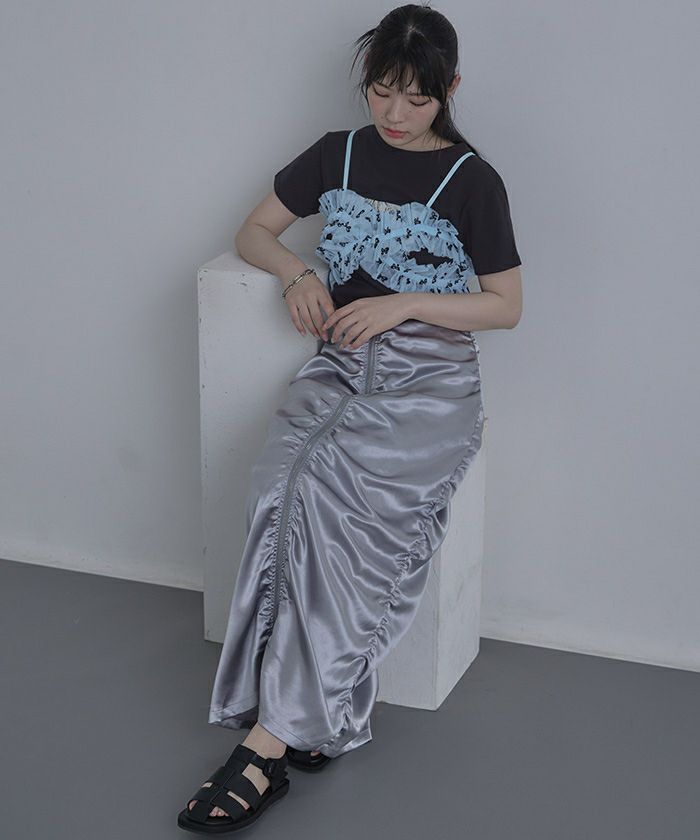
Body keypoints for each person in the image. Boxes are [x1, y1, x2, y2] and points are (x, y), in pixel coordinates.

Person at [178, 2, 522, 834]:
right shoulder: (337, 153)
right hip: (340, 365)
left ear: (450, 89)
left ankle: (266, 747)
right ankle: (312, 711)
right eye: (382, 92)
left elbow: (505, 306)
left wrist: (404, 303)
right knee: (281, 491)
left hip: (430, 382)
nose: (396, 114)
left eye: (417, 98)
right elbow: (254, 231)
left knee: (342, 518)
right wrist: (297, 274)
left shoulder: (472, 180)